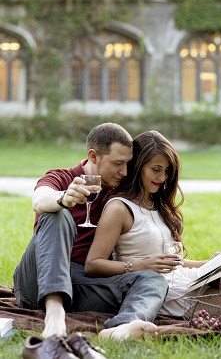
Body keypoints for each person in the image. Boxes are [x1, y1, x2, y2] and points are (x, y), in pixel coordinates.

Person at [84, 130, 221, 316]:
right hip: (161, 291)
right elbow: (93, 265)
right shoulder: (119, 208)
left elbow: (170, 263)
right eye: (156, 170)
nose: (163, 178)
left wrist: (211, 264)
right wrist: (141, 265)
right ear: (137, 166)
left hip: (183, 279)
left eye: (167, 171)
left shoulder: (156, 204)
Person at [13, 122, 165, 340]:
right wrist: (63, 198)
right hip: (38, 280)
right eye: (117, 163)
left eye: (127, 164)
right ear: (94, 157)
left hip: (82, 282)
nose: (124, 171)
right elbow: (39, 200)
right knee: (57, 214)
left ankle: (121, 329)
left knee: (153, 280)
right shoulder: (61, 178)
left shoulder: (118, 190)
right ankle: (54, 313)